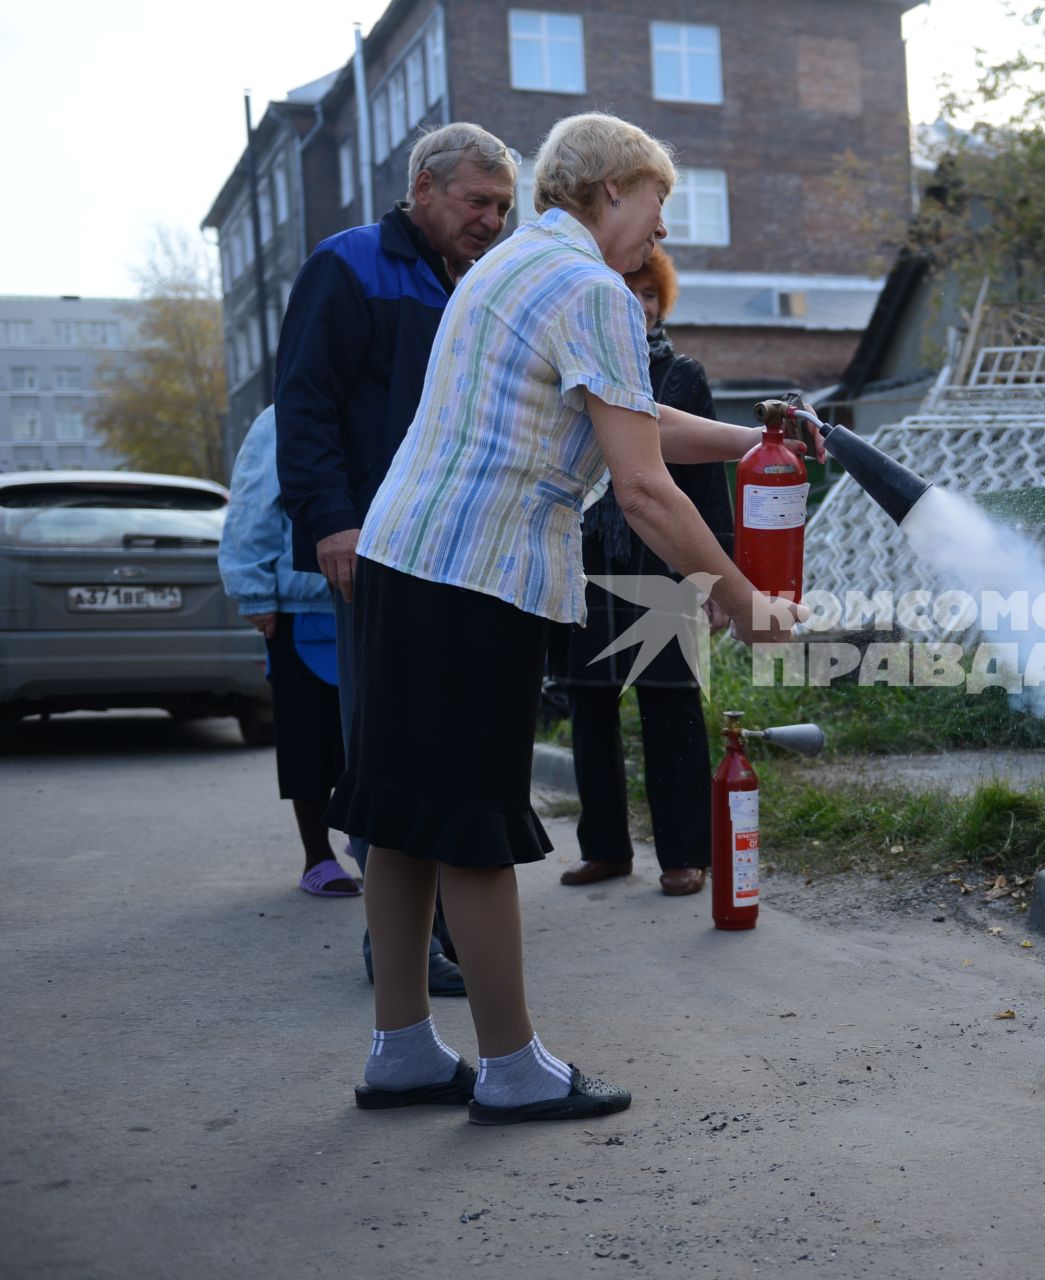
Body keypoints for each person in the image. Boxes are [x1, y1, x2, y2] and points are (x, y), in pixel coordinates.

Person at [333, 112, 815, 1124]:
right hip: (478, 570)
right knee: (468, 818)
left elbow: (627, 412)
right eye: (656, 205)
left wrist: (752, 437)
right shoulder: (593, 288)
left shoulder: (513, 268)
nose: (660, 232)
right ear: (609, 190)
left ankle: (404, 1050)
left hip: (403, 554)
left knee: (403, 815)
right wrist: (740, 601)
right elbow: (640, 485)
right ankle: (511, 1067)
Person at [276, 121, 519, 995]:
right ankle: (401, 950)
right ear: (422, 189)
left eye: (502, 206)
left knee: (446, 746)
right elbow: (301, 407)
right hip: (376, 546)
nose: (491, 220)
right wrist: (330, 521)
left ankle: (449, 931)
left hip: (463, 551)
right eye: (475, 202)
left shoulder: (480, 282)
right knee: (387, 745)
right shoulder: (349, 267)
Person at [555, 248, 729, 896]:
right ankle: (604, 848)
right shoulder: (575, 369)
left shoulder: (682, 376)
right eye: (626, 291)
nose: (639, 304)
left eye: (648, 294)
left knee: (672, 709)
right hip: (586, 562)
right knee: (588, 710)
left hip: (664, 562)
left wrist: (714, 580)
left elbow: (708, 486)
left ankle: (685, 854)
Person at [218, 405, 357, 898]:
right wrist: (254, 591)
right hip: (302, 604)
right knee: (309, 740)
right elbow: (253, 505)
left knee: (367, 740)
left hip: (376, 594)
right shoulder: (280, 418)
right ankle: (317, 856)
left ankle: (374, 849)